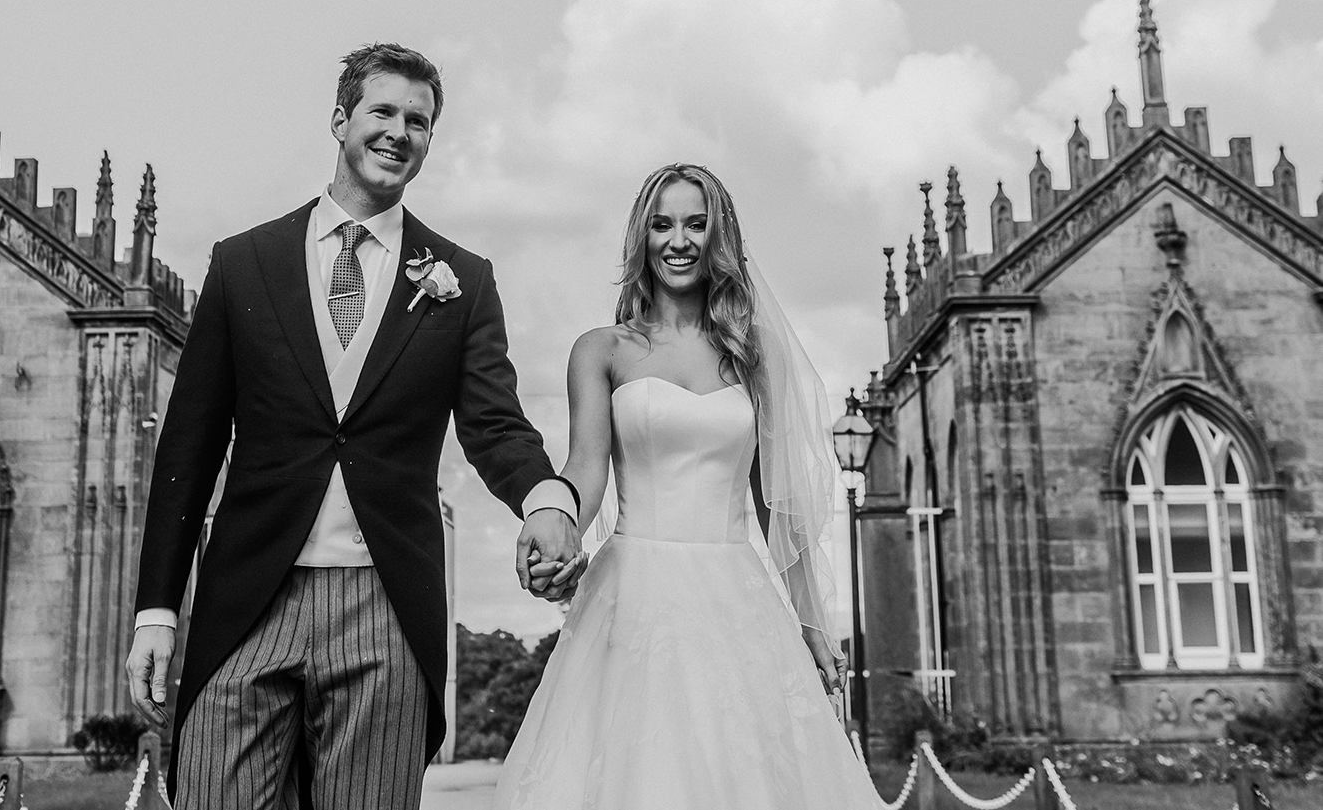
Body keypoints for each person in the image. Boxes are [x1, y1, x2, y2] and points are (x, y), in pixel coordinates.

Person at [125, 43, 587, 810]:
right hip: (249, 602)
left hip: (385, 609)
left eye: (420, 120)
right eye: (384, 111)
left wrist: (546, 498)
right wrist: (157, 608)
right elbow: (188, 448)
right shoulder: (244, 264)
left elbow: (494, 422)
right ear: (340, 119)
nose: (400, 131)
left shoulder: (462, 281)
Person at [493, 163, 880, 809]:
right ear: (641, 237)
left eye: (696, 224)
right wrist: (557, 525)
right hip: (633, 592)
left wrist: (813, 621)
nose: (679, 239)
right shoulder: (601, 350)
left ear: (717, 236)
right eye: (662, 223)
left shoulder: (754, 352)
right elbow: (586, 469)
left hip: (737, 599)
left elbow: (776, 502)